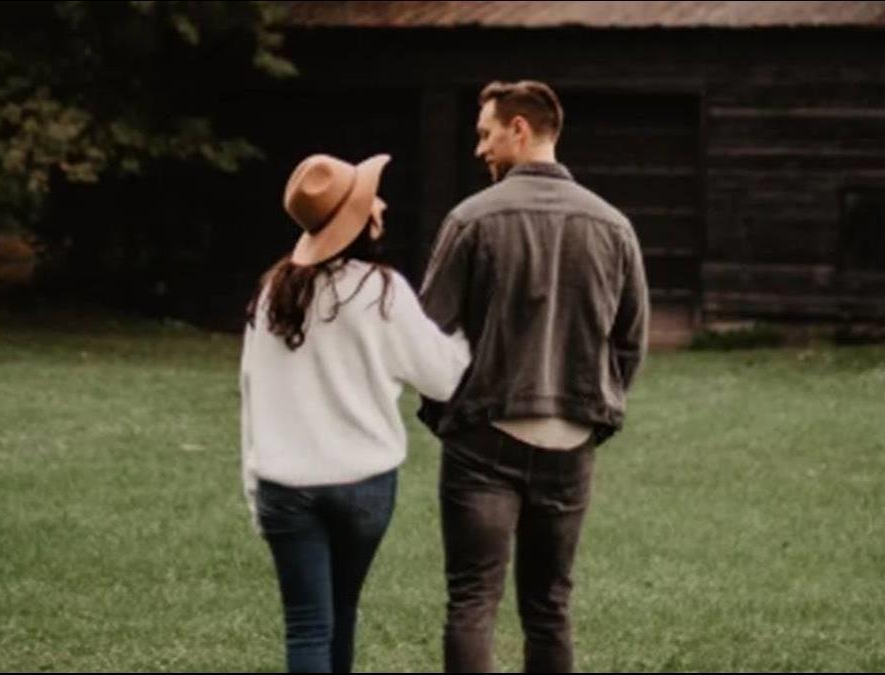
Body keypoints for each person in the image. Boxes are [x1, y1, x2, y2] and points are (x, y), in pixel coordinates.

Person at [418, 80, 650, 673]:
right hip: (570, 439)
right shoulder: (614, 226)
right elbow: (630, 342)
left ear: (518, 129)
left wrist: (445, 414)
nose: (479, 148)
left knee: (472, 601)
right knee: (550, 609)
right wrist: (592, 412)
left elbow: (426, 335)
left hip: (483, 436)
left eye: (485, 134)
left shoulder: (470, 219)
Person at [240, 153, 471, 673]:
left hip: (283, 485)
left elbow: (251, 392)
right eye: (371, 200)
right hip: (363, 485)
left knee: (306, 625)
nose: (381, 204)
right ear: (359, 221)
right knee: (342, 610)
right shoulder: (382, 290)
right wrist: (467, 332)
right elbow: (442, 378)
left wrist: (254, 489)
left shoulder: (272, 292)